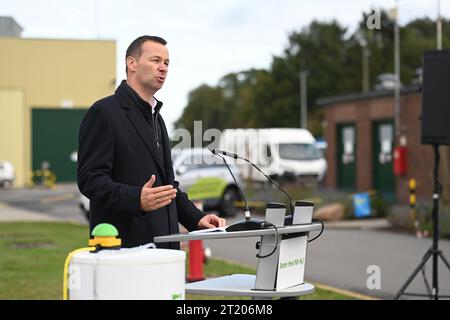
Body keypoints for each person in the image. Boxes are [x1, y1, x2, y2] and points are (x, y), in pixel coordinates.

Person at [77, 35, 225, 249]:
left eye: (166, 63)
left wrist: (196, 218)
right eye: (156, 61)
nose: (163, 68)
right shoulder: (104, 112)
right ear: (132, 63)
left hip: (166, 251)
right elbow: (90, 179)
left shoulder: (158, 118)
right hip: (125, 250)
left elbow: (168, 187)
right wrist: (135, 198)